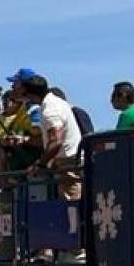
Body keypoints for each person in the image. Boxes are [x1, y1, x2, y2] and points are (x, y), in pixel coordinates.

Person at [16, 72, 84, 205]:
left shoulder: (50, 110)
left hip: (69, 163)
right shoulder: (55, 102)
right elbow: (50, 140)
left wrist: (40, 164)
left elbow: (56, 141)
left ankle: (77, 226)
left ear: (31, 95)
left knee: (72, 205)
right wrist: (23, 140)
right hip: (67, 160)